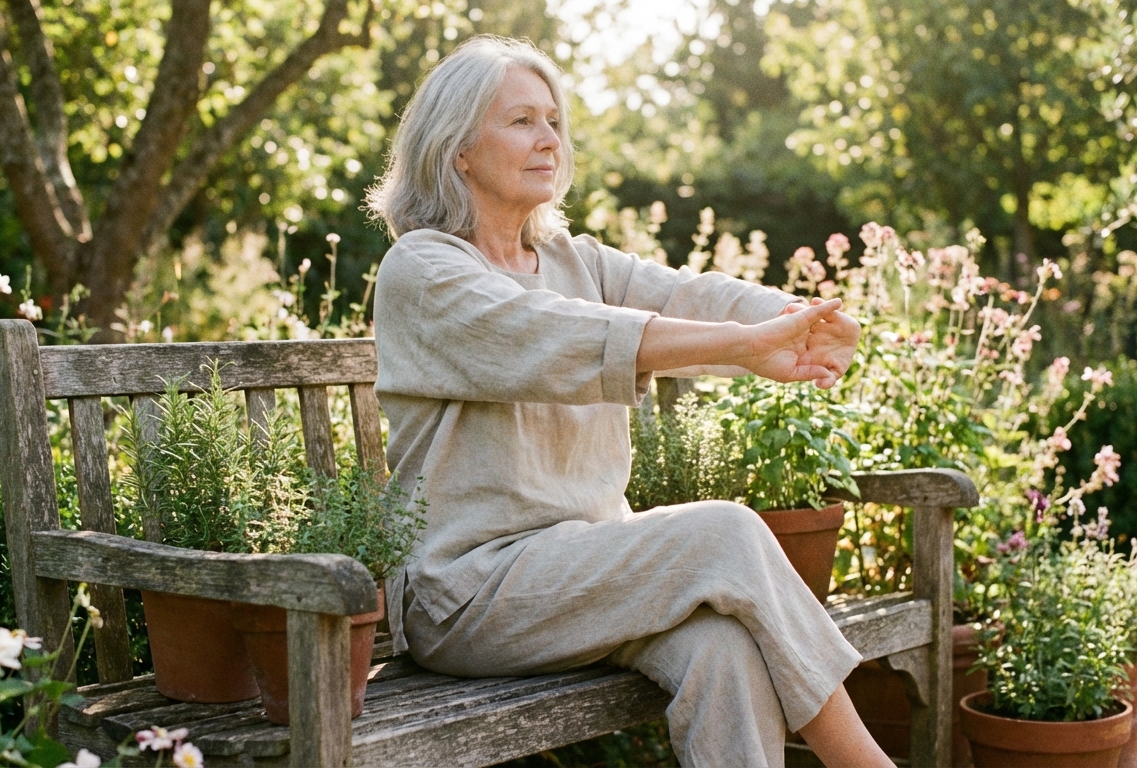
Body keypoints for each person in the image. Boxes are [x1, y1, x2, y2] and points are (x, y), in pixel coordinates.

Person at [364, 34, 891, 768]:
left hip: (588, 570)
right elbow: (560, 336)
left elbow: (684, 294)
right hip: (470, 592)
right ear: (457, 150)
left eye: (554, 121)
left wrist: (798, 319)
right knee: (725, 534)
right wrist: (743, 347)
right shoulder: (423, 269)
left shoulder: (572, 260)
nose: (549, 139)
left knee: (724, 649)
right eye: (521, 121)